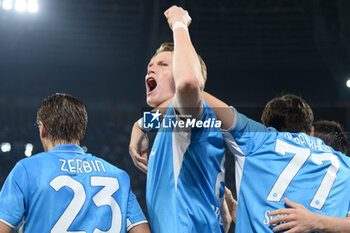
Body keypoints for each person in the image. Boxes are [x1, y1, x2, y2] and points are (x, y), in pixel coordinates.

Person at [129, 5, 226, 233]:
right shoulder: (173, 122)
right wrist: (139, 125)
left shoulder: (190, 114)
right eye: (150, 66)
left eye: (163, 65)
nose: (151, 69)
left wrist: (179, 24)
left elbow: (189, 83)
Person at [0, 93, 150, 233]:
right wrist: (141, 125)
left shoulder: (27, 170)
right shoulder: (119, 176)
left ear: (43, 130)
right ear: (82, 132)